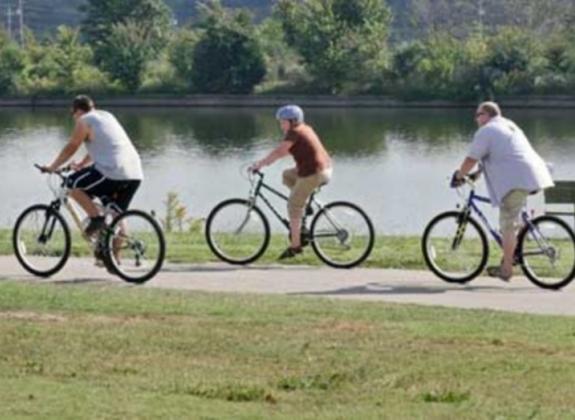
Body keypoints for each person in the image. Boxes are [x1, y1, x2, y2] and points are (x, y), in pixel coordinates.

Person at [454, 101, 554, 281]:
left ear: (486, 115)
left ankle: (506, 269)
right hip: (534, 174)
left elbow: (471, 159)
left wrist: (459, 176)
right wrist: (477, 174)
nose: (475, 118)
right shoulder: (509, 125)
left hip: (517, 180)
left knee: (507, 223)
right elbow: (500, 155)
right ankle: (516, 250)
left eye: (478, 115)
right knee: (515, 220)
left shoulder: (486, 130)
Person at [41, 95, 144, 236]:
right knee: (117, 214)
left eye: (73, 114)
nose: (74, 118)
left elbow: (72, 146)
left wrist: (52, 166)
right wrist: (82, 164)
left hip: (112, 171)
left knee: (71, 184)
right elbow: (105, 145)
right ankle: (112, 257)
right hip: (135, 173)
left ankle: (96, 219)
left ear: (77, 111)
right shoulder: (107, 116)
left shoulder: (84, 120)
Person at [250, 105, 332, 259]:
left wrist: (260, 164)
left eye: (283, 122)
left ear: (293, 121)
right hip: (323, 169)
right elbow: (286, 151)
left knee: (293, 205)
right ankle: (305, 205)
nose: (281, 125)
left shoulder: (295, 132)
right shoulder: (304, 129)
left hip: (314, 173)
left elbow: (279, 152)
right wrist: (268, 161)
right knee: (287, 175)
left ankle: (295, 246)